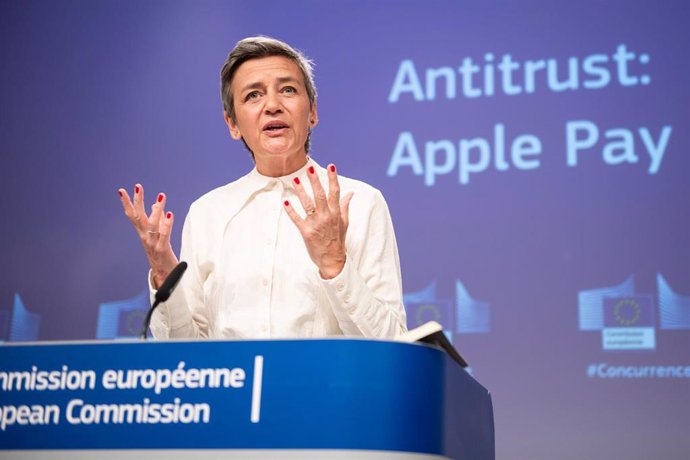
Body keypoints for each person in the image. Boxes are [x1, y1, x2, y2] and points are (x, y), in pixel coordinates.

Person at [117, 36, 406, 339]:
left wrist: (335, 264)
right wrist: (163, 275)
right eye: (253, 95)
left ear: (313, 112)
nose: (272, 105)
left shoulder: (359, 202)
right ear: (233, 124)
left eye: (288, 90)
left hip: (327, 386)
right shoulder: (207, 213)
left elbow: (391, 344)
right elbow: (188, 359)